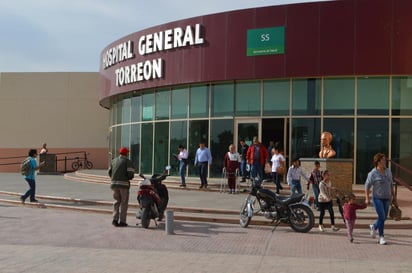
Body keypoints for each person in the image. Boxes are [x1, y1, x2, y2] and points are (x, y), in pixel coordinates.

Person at [365, 153, 395, 245]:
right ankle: (381, 237)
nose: (385, 161)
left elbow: (391, 185)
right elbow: (367, 186)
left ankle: (374, 226)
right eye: (383, 160)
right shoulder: (372, 173)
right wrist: (367, 198)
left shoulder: (388, 171)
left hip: (387, 198)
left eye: (385, 160)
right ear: (378, 162)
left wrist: (394, 197)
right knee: (382, 216)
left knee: (384, 217)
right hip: (377, 198)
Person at [108, 147, 135, 227]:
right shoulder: (128, 161)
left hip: (114, 184)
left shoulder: (113, 161)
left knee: (116, 202)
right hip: (124, 185)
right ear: (126, 153)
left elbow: (109, 172)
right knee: (124, 203)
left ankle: (114, 220)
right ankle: (122, 221)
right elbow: (130, 174)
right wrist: (129, 178)